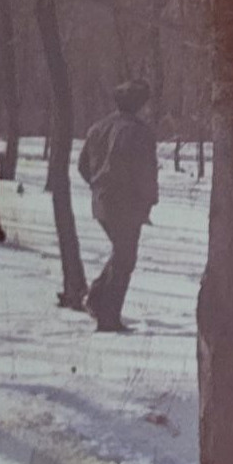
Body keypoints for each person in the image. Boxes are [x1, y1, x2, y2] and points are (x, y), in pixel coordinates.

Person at [77, 80, 158, 332]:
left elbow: (82, 166)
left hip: (102, 202)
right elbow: (145, 172)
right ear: (139, 104)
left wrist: (98, 185)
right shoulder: (139, 132)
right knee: (125, 258)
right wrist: (149, 201)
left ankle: (96, 298)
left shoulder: (97, 128)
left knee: (122, 254)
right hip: (127, 204)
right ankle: (107, 317)